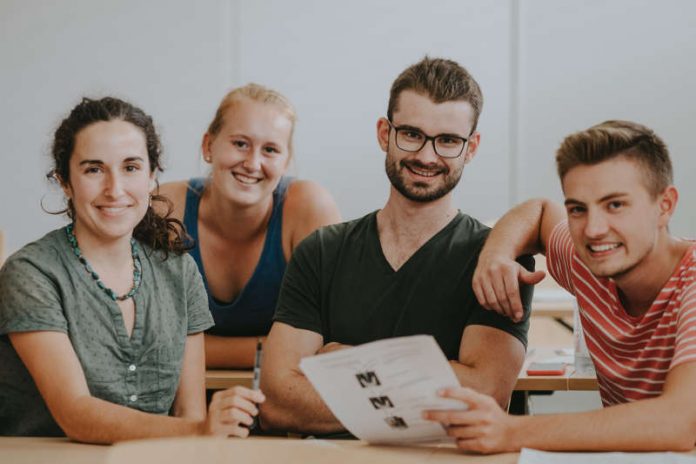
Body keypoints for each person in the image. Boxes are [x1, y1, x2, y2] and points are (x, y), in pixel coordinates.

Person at [259, 57, 533, 435]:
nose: (426, 156)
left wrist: (347, 361)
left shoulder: (496, 262)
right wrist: (432, 388)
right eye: (411, 134)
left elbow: (484, 396)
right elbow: (278, 402)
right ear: (384, 133)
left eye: (449, 141)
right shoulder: (321, 252)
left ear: (471, 148)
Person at [0, 97, 264, 443]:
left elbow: (192, 413)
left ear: (152, 177)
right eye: (94, 169)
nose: (115, 189)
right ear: (65, 181)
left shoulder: (180, 271)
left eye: (131, 168)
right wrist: (198, 430)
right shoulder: (31, 273)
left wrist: (204, 428)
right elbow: (75, 414)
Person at [425, 120, 696, 452]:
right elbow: (537, 212)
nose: (594, 230)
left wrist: (510, 431)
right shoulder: (592, 262)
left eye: (616, 205)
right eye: (578, 209)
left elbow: (679, 422)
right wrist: (495, 255)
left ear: (665, 205)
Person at [159, 84, 341, 368]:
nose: (253, 163)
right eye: (240, 143)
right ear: (209, 146)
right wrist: (280, 348)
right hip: (178, 399)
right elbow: (153, 341)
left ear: (286, 162)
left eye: (270, 150)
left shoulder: (309, 207)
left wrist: (194, 347)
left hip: (280, 397)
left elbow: (331, 339)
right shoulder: (165, 207)